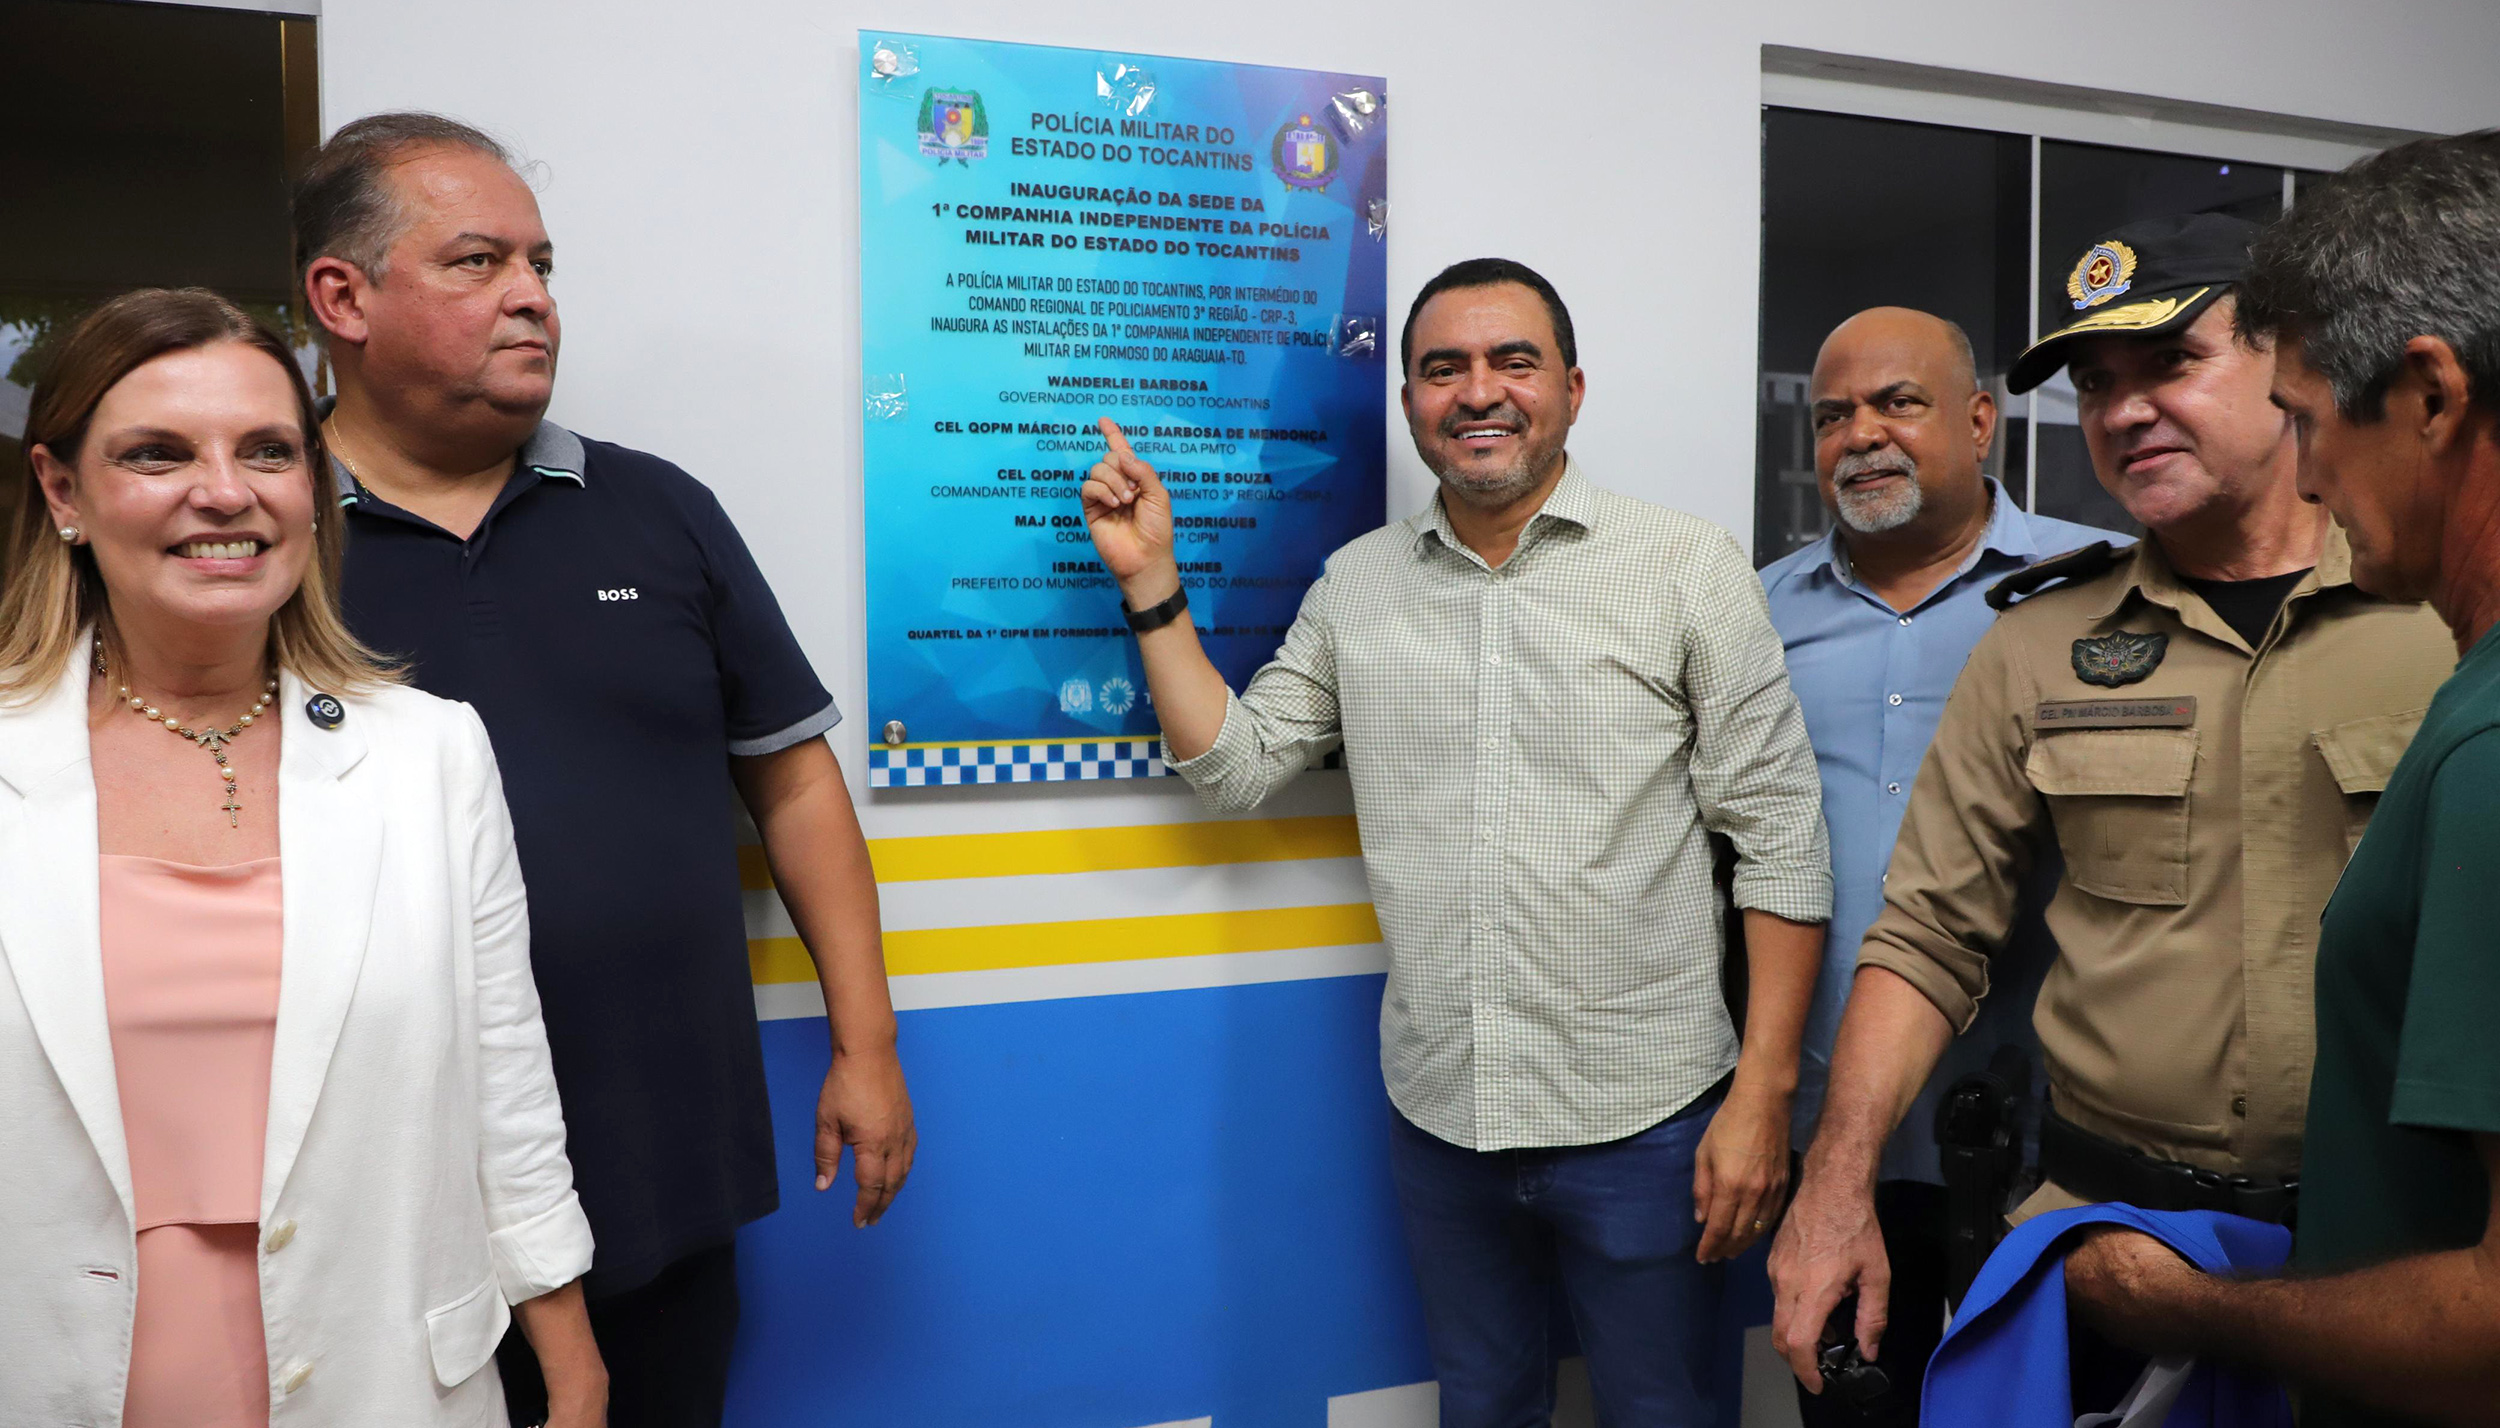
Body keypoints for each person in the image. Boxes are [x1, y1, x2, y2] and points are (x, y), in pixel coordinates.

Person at [1080, 257, 1832, 1425]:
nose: (1478, 392)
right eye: (1443, 369)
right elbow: (1231, 769)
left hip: (1648, 1120)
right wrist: (1151, 582)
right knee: (1481, 1410)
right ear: (1411, 404)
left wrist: (1762, 1097)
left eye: (1511, 362)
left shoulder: (1685, 567)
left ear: (1570, 389)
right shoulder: (1357, 586)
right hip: (1445, 1121)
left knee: (1666, 1414)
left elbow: (1780, 838)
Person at [1766, 213, 2456, 1399]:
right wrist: (1835, 1186)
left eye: (2171, 364)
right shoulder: (2042, 641)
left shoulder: (2440, 616)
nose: (2124, 411)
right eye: (2096, 385)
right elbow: (1929, 933)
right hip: (2106, 1244)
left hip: (2392, 1243)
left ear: (2289, 365)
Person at [292, 113, 912, 1427]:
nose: (532, 296)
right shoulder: (258, 537)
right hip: (386, 1194)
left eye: (541, 262)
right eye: (477, 262)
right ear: (342, 297)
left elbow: (792, 782)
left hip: (661, 1164)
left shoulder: (658, 509)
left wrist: (868, 1047)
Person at [0, 288, 602, 1424]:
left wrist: (571, 1366)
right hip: (63, 1370)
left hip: (383, 1368)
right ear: (63, 491)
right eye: (158, 453)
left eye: (268, 450)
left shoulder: (432, 753)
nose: (224, 492)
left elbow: (507, 1090)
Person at [2055, 130, 2500, 1427]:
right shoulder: (2043, 635)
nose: (2310, 474)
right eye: (2096, 384)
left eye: (2307, 419)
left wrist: (2185, 1310)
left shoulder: (2481, 737)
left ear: (2427, 394)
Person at [1758, 306, 2121, 1416]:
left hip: (2050, 1141)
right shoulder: (1754, 614)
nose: (1861, 435)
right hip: (1836, 1144)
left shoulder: (2101, 591)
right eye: (1832, 416)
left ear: (1977, 422)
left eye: (1896, 404)